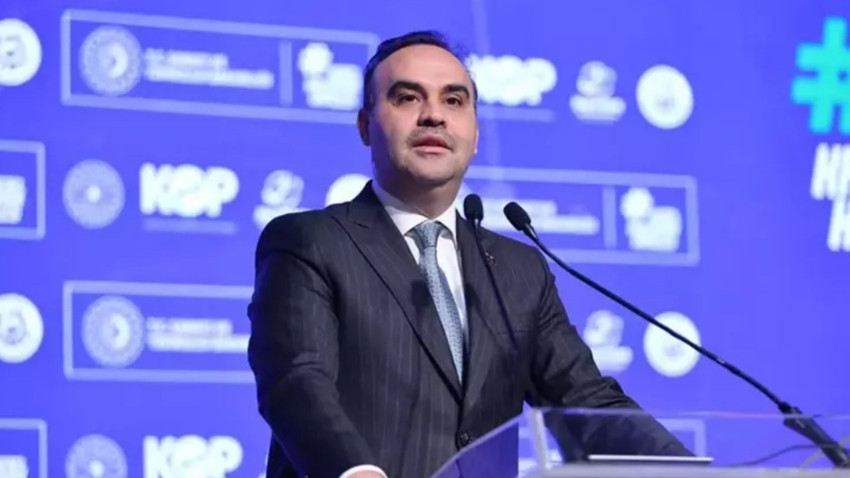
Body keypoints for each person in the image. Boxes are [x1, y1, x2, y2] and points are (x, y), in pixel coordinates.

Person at [247, 30, 692, 478]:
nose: (434, 115)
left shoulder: (519, 270)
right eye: (408, 98)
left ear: (475, 134)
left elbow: (587, 404)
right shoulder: (310, 241)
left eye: (454, 101)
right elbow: (297, 382)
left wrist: (689, 471)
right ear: (365, 125)